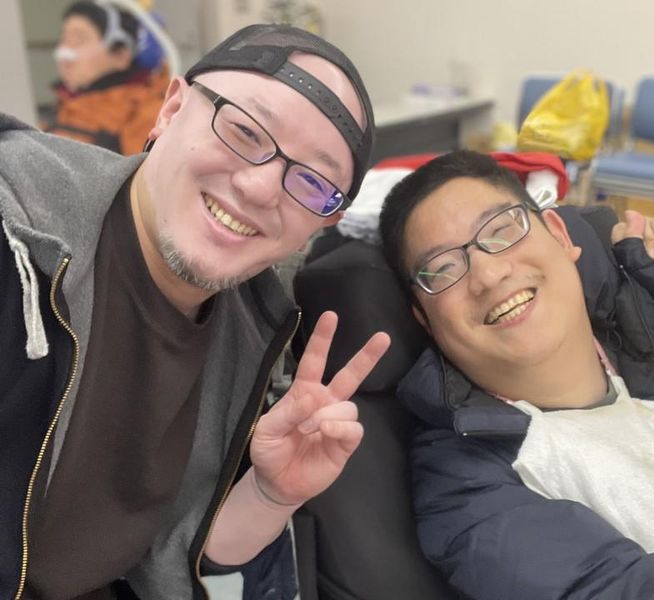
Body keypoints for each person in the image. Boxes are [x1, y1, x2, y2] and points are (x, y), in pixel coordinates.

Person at [1, 23, 390, 599]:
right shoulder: (19, 241)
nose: (261, 189)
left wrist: (269, 494)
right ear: (172, 109)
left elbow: (172, 554)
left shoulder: (254, 336)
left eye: (311, 182)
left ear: (322, 223)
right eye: (244, 130)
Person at [378, 150, 654, 599]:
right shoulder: (462, 486)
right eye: (442, 269)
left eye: (502, 231)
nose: (487, 273)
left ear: (561, 236)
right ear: (425, 321)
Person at [40, 1, 169, 155]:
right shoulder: (61, 109)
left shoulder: (150, 115)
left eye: (78, 41)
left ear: (121, 55)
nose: (64, 53)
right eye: (63, 40)